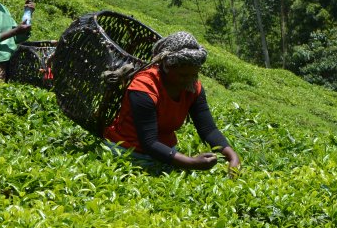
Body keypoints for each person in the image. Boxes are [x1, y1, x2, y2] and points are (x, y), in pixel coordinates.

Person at [103, 31, 241, 176]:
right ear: (167, 67)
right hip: (128, 152)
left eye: (194, 74)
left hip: (167, 153)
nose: (189, 80)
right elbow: (149, 142)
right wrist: (191, 163)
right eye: (183, 75)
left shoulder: (193, 87)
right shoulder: (144, 87)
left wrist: (232, 157)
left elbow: (208, 129)